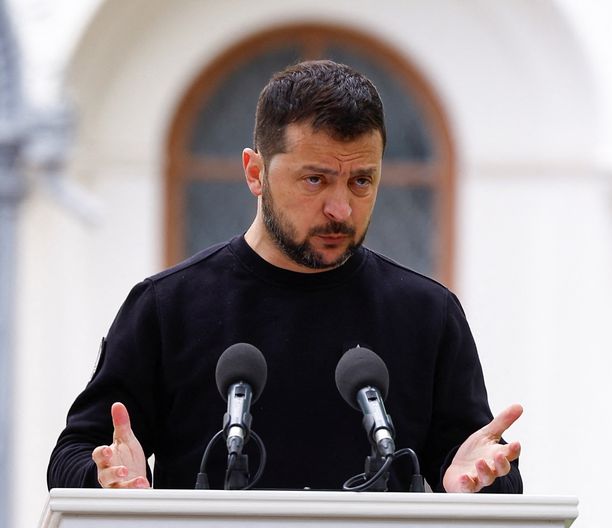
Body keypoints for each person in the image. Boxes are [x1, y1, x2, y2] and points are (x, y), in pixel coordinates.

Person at [47, 60, 523, 493]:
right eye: (315, 179)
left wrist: (483, 482)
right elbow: (73, 455)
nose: (341, 209)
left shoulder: (427, 314)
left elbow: (476, 466)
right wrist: (106, 475)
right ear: (255, 173)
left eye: (362, 181)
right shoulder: (166, 307)